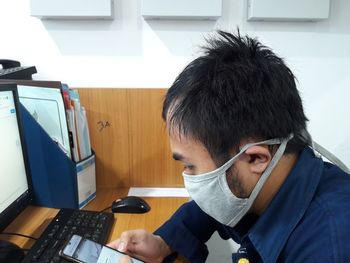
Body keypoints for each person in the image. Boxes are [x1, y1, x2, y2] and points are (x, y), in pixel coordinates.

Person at [108, 31, 350, 262]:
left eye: (191, 166)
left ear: (256, 158)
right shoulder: (269, 178)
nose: (188, 177)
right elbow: (207, 209)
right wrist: (164, 241)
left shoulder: (331, 247)